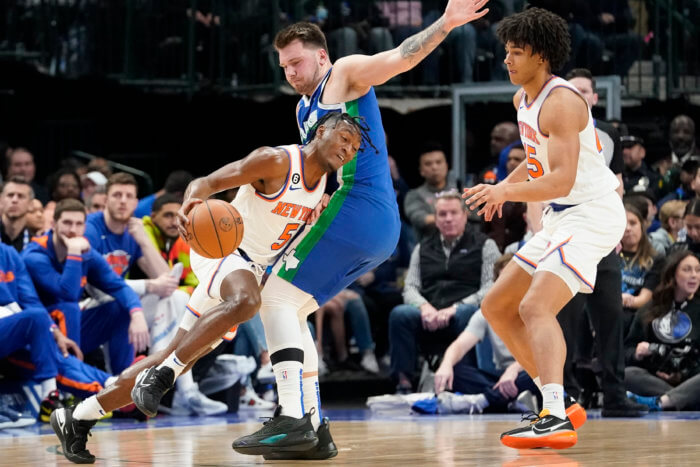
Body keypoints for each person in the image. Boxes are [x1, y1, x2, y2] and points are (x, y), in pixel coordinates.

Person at [232, 2, 491, 460]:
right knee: (291, 309)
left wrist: (447, 23)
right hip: (362, 216)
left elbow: (403, 56)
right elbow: (316, 177)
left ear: (322, 57)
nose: (290, 73)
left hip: (364, 206)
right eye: (284, 66)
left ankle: (292, 417)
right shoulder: (302, 109)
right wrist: (310, 208)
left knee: (274, 297)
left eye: (297, 62)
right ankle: (312, 427)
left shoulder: (345, 74)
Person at [50, 112, 366, 464]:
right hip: (221, 251)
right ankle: (165, 373)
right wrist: (190, 203)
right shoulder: (276, 160)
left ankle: (77, 416)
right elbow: (207, 182)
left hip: (250, 269)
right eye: (344, 139)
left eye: (354, 147)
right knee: (248, 301)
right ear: (321, 131)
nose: (348, 150)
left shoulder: (323, 186)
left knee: (173, 352)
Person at [462, 7, 625, 449]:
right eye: (506, 52)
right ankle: (562, 400)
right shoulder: (523, 101)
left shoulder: (563, 102)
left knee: (535, 307)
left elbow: (562, 179)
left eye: (516, 53)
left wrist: (505, 195)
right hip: (561, 214)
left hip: (592, 212)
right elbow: (537, 165)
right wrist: (499, 186)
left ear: (542, 56)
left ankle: (552, 414)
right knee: (498, 306)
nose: (507, 61)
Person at [556, 68, 646, 417]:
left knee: (611, 319)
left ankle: (615, 397)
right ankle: (564, 397)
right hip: (568, 236)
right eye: (573, 90)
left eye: (585, 91)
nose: (580, 96)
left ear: (594, 97)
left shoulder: (608, 133)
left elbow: (618, 187)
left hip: (603, 238)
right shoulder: (554, 128)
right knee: (566, 320)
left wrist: (616, 229)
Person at [390, 190, 499, 393]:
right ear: (436, 219)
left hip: (462, 310)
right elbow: (410, 287)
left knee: (469, 314)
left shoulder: (485, 245)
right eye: (442, 214)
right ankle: (403, 382)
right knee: (400, 314)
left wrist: (456, 307)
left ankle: (463, 377)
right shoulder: (422, 248)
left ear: (465, 215)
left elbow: (491, 288)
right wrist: (424, 307)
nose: (448, 219)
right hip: (429, 312)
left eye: (453, 213)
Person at [23, 199, 148, 376]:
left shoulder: (85, 251)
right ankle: (71, 382)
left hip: (69, 331)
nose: (73, 230)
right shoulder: (35, 255)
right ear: (53, 224)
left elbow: (118, 285)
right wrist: (74, 253)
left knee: (120, 308)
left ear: (84, 227)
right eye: (67, 223)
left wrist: (137, 312)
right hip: (38, 333)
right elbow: (68, 294)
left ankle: (124, 381)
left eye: (79, 224)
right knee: (69, 308)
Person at [434, 253, 539, 414]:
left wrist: (513, 370)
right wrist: (445, 365)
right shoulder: (488, 311)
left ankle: (483, 401)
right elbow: (460, 346)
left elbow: (540, 353)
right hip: (499, 379)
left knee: (540, 373)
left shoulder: (536, 308)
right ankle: (510, 402)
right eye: (504, 280)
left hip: (526, 371)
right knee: (456, 371)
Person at [624, 250, 700, 411]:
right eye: (687, 270)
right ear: (673, 274)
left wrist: (683, 374)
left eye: (698, 270)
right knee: (628, 374)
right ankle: (679, 400)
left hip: (692, 378)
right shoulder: (650, 309)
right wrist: (637, 353)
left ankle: (662, 402)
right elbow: (625, 351)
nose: (694, 275)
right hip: (657, 380)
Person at [404, 142, 456, 241]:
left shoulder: (461, 190)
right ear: (421, 170)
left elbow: (474, 215)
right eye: (428, 164)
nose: (434, 167)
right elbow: (420, 219)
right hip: (428, 250)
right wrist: (457, 215)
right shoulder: (414, 195)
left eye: (439, 162)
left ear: (446, 165)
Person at [0, 177, 34, 252]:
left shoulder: (35, 244)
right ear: (1, 200)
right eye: (10, 195)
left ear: (30, 205)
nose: (14, 200)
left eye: (20, 196)